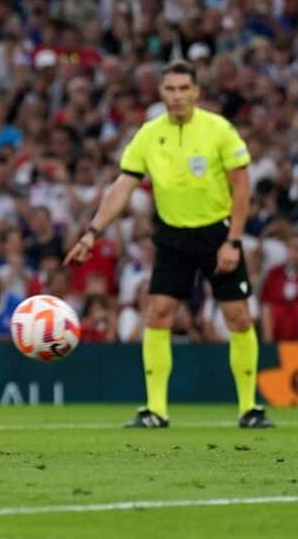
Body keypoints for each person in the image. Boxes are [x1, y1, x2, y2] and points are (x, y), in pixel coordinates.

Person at [65, 60, 272, 429]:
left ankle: (248, 408)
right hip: (174, 236)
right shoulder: (148, 134)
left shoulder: (218, 130)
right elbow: (122, 186)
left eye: (183, 89)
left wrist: (234, 241)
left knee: (238, 317)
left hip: (217, 233)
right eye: (169, 90)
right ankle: (156, 410)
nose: (176, 96)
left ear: (196, 92)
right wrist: (91, 233)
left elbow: (241, 186)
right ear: (161, 93)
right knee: (158, 313)